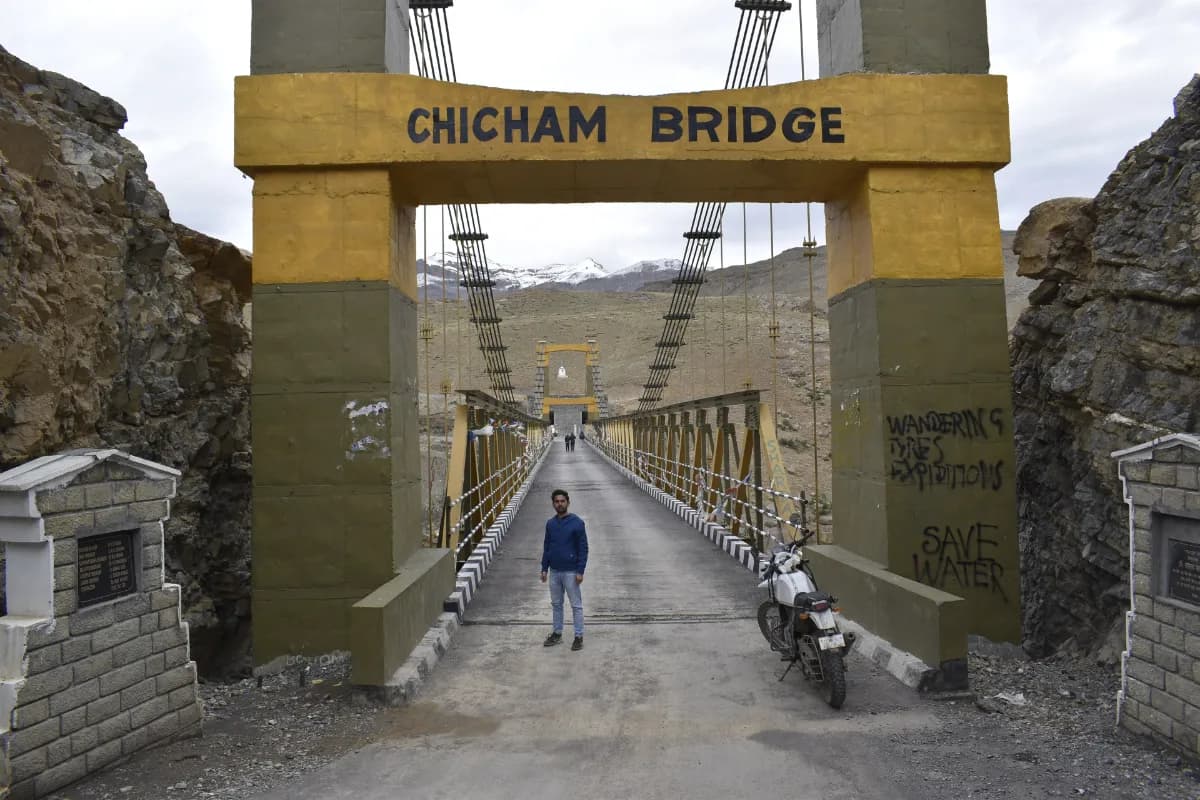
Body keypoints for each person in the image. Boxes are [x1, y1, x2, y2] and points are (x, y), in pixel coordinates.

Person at [541, 488, 588, 650]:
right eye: (556, 502)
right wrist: (544, 568)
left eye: (562, 501)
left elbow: (583, 548)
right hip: (554, 571)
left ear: (568, 502)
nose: (559, 504)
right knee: (556, 604)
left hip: (571, 571)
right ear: (553, 504)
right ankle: (557, 633)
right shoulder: (551, 524)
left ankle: (578, 636)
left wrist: (580, 571)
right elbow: (547, 546)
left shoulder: (577, 523)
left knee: (576, 605)